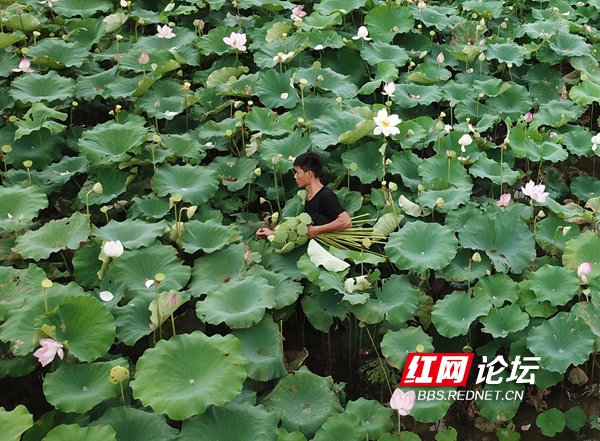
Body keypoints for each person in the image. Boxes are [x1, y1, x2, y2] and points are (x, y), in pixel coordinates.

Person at [256, 151, 352, 239]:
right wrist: (272, 233)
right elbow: (304, 231)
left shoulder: (325, 196)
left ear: (309, 174)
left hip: (328, 251)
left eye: (298, 173)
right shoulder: (309, 196)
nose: (295, 176)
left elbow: (346, 221)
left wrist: (315, 230)